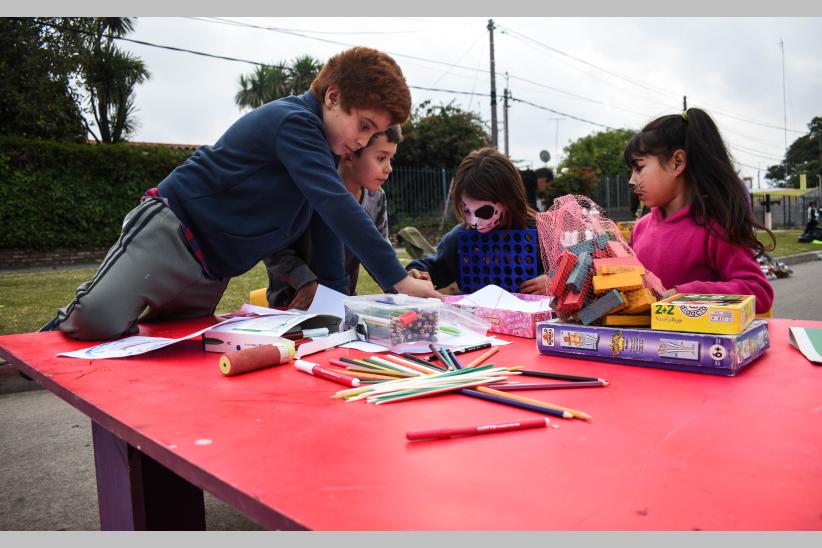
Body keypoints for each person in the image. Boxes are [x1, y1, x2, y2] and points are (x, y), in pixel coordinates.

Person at [42, 47, 440, 341]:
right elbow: (335, 205)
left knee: (172, 344)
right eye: (364, 125)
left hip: (212, 270)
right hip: (169, 235)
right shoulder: (295, 122)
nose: (362, 140)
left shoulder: (324, 157)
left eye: (373, 135)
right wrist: (398, 279)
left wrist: (336, 314)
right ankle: (33, 350)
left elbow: (326, 229)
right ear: (333, 97)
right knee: (94, 320)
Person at [624, 107, 774, 314]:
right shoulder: (640, 228)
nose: (632, 181)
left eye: (639, 168)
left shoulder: (715, 229)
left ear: (677, 163)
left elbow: (759, 292)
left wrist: (684, 295)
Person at [264, 126, 421, 308]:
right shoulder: (308, 191)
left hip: (343, 303)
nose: (389, 168)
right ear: (348, 157)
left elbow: (377, 249)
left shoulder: (376, 197)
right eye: (381, 158)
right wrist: (305, 281)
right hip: (292, 307)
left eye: (390, 159)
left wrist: (402, 280)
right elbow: (273, 248)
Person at [406, 147, 547, 294]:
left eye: (484, 211)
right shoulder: (459, 239)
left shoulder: (542, 234)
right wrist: (415, 274)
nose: (474, 221)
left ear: (508, 199)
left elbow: (572, 271)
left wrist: (555, 282)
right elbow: (435, 266)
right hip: (475, 316)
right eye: (466, 210)